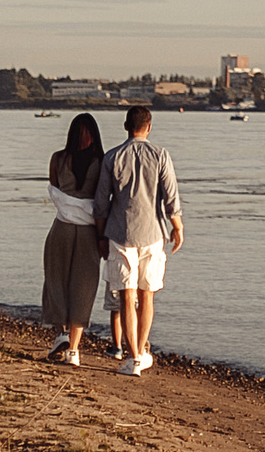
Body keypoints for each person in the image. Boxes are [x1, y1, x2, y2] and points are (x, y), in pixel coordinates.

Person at [93, 104, 183, 375]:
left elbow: (101, 203)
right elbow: (171, 196)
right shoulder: (161, 155)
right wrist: (177, 227)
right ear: (149, 126)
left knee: (125, 296)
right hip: (153, 233)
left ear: (126, 126)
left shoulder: (112, 157)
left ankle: (132, 358)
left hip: (120, 233)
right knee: (147, 296)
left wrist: (99, 235)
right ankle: (142, 351)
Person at [41, 113, 108, 365]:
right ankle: (74, 351)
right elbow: (102, 199)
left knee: (55, 280)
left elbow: (55, 188)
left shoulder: (58, 158)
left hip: (62, 228)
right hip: (89, 231)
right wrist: (103, 237)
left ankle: (61, 334)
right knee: (84, 286)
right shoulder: (101, 162)